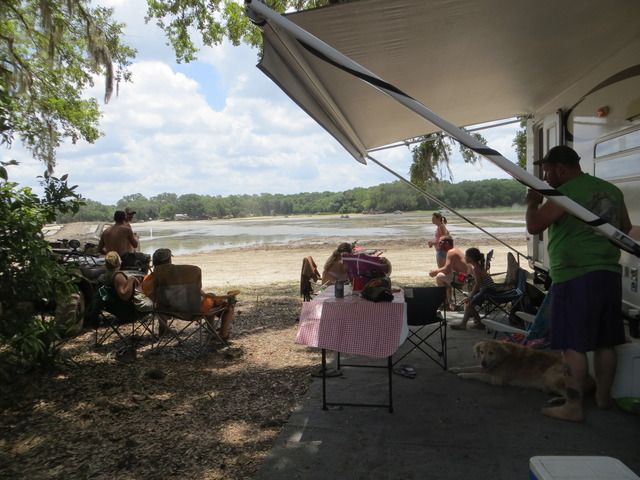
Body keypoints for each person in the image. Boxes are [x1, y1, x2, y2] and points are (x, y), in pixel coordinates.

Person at [526, 145, 631, 422]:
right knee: (605, 342)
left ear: (561, 169)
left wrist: (533, 202)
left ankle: (573, 406)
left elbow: (535, 226)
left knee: (573, 344)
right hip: (608, 273)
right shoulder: (611, 190)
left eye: (547, 171)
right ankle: (603, 398)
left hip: (575, 275)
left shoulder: (565, 193)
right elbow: (625, 229)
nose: (545, 177)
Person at [141, 248, 236, 340]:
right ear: (169, 260)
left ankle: (212, 332)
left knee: (211, 298)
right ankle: (223, 334)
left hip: (168, 311)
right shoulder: (184, 274)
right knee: (226, 305)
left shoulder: (150, 280)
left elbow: (153, 298)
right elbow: (197, 292)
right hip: (193, 311)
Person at [450, 247, 496, 330]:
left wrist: (471, 295)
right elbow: (478, 282)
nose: (464, 257)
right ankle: (475, 323)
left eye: (466, 256)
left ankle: (472, 324)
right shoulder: (478, 267)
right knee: (469, 304)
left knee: (469, 305)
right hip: (487, 289)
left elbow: (478, 284)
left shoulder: (476, 269)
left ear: (470, 258)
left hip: (488, 291)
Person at [428, 236, 468, 309]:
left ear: (447, 243)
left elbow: (447, 269)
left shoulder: (451, 252)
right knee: (445, 276)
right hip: (467, 278)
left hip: (463, 280)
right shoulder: (455, 250)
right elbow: (449, 269)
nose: (438, 245)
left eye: (440, 243)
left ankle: (445, 302)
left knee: (439, 276)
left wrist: (434, 272)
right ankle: (449, 302)